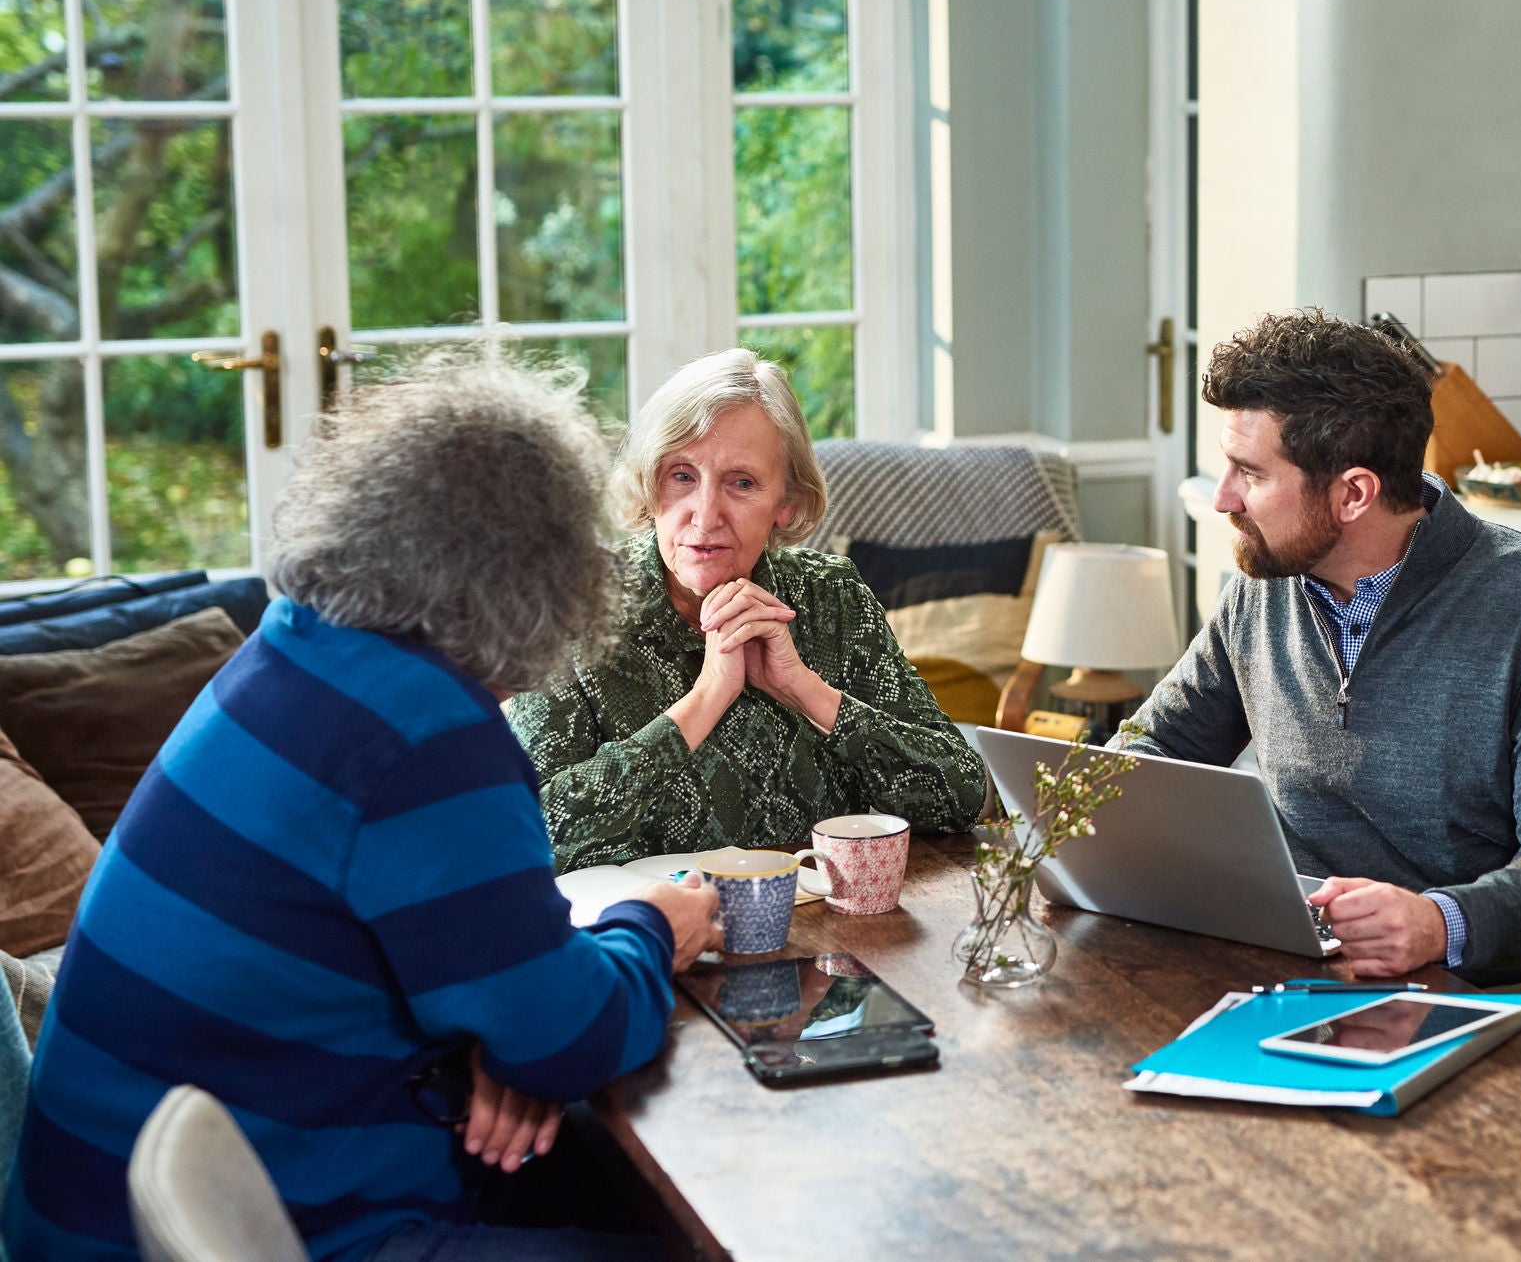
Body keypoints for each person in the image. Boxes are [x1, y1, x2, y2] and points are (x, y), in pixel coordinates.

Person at [3, 353, 722, 1261]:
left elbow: (510, 1005)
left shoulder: (296, 650)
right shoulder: (426, 738)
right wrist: (654, 922)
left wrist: (520, 1034)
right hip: (243, 1234)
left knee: (607, 1172)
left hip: (101, 1216)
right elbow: (566, 1039)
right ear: (543, 574)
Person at [1121, 310, 1521, 984]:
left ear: (1354, 494)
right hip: (1287, 969)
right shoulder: (1264, 582)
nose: (1223, 499)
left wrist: (1433, 922)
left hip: (1469, 999)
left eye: (1251, 473)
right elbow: (1152, 755)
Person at [510, 348, 987, 873]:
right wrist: (704, 701)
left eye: (741, 483)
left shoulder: (831, 597)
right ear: (650, 483)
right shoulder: (576, 606)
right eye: (682, 476)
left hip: (820, 934)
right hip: (652, 938)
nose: (706, 515)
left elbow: (960, 795)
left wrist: (805, 690)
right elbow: (527, 832)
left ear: (788, 503)